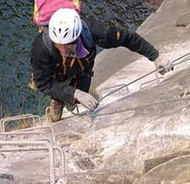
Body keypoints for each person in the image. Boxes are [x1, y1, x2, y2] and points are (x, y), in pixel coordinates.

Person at [30, 7, 170, 122]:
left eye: (68, 45)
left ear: (78, 36)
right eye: (60, 45)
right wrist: (73, 93)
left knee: (80, 98)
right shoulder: (41, 48)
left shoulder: (94, 32)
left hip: (82, 68)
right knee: (62, 93)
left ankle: (71, 99)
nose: (64, 50)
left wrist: (155, 56)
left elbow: (127, 38)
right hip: (57, 72)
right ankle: (58, 101)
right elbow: (44, 83)